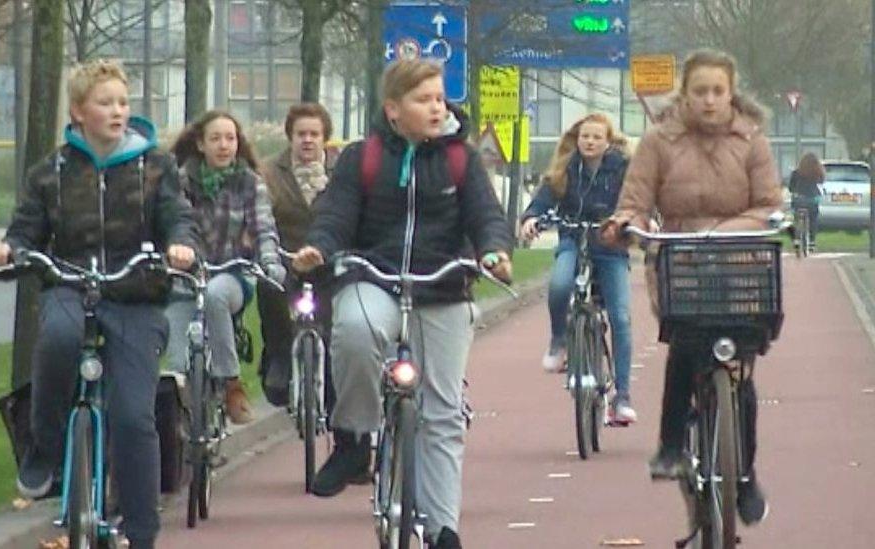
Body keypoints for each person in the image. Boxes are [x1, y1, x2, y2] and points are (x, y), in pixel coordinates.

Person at [292, 59, 513, 549]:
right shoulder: (361, 157)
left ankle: (443, 528)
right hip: (374, 276)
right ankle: (353, 438)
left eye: (439, 98)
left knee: (442, 412)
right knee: (352, 332)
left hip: (443, 284)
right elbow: (336, 214)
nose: (437, 107)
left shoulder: (462, 159)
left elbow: (485, 216)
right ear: (394, 110)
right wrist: (320, 248)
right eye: (424, 100)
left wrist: (495, 252)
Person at [0, 59, 199, 549]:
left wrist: (181, 246)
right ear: (79, 112)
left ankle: (142, 532)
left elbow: (177, 219)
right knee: (56, 338)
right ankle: (44, 450)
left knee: (132, 415)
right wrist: (8, 250)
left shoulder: (155, 165)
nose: (118, 111)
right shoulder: (51, 172)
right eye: (106, 103)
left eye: (123, 102)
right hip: (70, 285)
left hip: (136, 294)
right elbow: (25, 231)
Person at [601, 49, 782, 526]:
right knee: (684, 345)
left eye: (717, 91)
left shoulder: (752, 142)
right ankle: (671, 446)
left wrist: (727, 232)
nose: (708, 100)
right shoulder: (660, 141)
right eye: (699, 91)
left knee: (739, 368)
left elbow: (769, 203)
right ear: (685, 93)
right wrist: (625, 223)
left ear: (731, 93)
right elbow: (636, 199)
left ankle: (744, 476)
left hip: (742, 264)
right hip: (679, 260)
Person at [163, 110, 286, 425]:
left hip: (231, 275)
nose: (223, 145)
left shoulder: (249, 184)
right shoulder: (179, 181)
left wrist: (270, 263)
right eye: (215, 138)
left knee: (217, 295)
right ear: (200, 144)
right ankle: (182, 442)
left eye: (230, 138)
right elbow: (167, 223)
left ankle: (231, 381)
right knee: (177, 365)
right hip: (183, 281)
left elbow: (264, 230)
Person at [518, 113, 637, 425]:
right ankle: (559, 340)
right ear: (577, 138)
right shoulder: (566, 168)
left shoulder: (623, 169)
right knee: (559, 284)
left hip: (610, 247)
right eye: (585, 136)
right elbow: (542, 200)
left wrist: (628, 221)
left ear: (608, 141)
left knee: (621, 317)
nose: (590, 142)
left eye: (597, 137)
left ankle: (621, 396)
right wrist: (532, 218)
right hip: (573, 239)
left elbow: (636, 202)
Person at [257, 102, 338, 407]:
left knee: (336, 315)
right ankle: (279, 358)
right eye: (300, 133)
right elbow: (262, 216)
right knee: (269, 287)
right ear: (290, 137)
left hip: (328, 263)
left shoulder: (340, 172)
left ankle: (330, 380)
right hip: (285, 259)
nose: (307, 140)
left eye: (314, 134)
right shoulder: (268, 173)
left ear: (324, 138)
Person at [788, 152, 825, 249]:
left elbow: (790, 188)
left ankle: (796, 238)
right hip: (812, 199)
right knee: (813, 218)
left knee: (796, 217)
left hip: (799, 199)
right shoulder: (817, 171)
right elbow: (821, 181)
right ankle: (812, 241)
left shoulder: (796, 172)